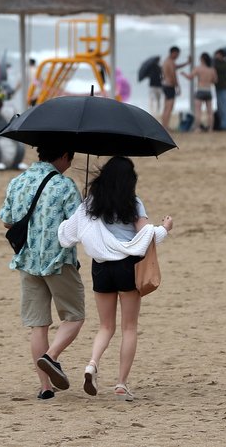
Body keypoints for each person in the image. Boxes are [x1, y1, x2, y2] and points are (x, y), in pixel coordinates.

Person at [56, 156, 173, 402]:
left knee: (105, 327)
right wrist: (165, 227)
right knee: (129, 327)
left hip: (101, 268)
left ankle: (92, 364)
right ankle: (120, 385)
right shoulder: (133, 202)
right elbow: (146, 236)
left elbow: (70, 231)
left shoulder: (91, 202)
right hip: (126, 267)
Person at [0, 146, 86, 400]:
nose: (70, 162)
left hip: (26, 259)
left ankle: (46, 388)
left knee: (38, 325)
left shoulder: (18, 181)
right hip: (58, 260)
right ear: (62, 155)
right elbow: (77, 226)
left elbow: (7, 220)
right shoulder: (64, 185)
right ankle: (51, 356)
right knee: (74, 316)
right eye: (71, 157)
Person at [183, 53, 216, 132]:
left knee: (198, 111)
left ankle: (197, 128)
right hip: (208, 91)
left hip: (200, 90)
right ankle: (210, 128)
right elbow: (215, 80)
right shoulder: (212, 69)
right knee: (210, 112)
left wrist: (184, 74)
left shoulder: (198, 68)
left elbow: (190, 77)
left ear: (202, 59)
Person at [159, 46, 189, 131]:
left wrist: (187, 63)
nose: (177, 56)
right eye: (177, 54)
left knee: (166, 107)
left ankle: (164, 125)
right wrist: (177, 86)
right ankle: (165, 126)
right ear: (173, 53)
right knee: (169, 107)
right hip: (170, 86)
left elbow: (176, 67)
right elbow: (173, 75)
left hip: (165, 85)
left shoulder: (166, 61)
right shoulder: (170, 62)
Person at [213, 48, 226, 131]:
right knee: (220, 106)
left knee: (223, 107)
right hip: (220, 88)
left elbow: (218, 67)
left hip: (224, 88)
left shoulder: (225, 64)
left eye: (217, 54)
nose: (216, 56)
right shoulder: (221, 63)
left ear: (221, 55)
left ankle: (225, 125)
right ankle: (224, 124)